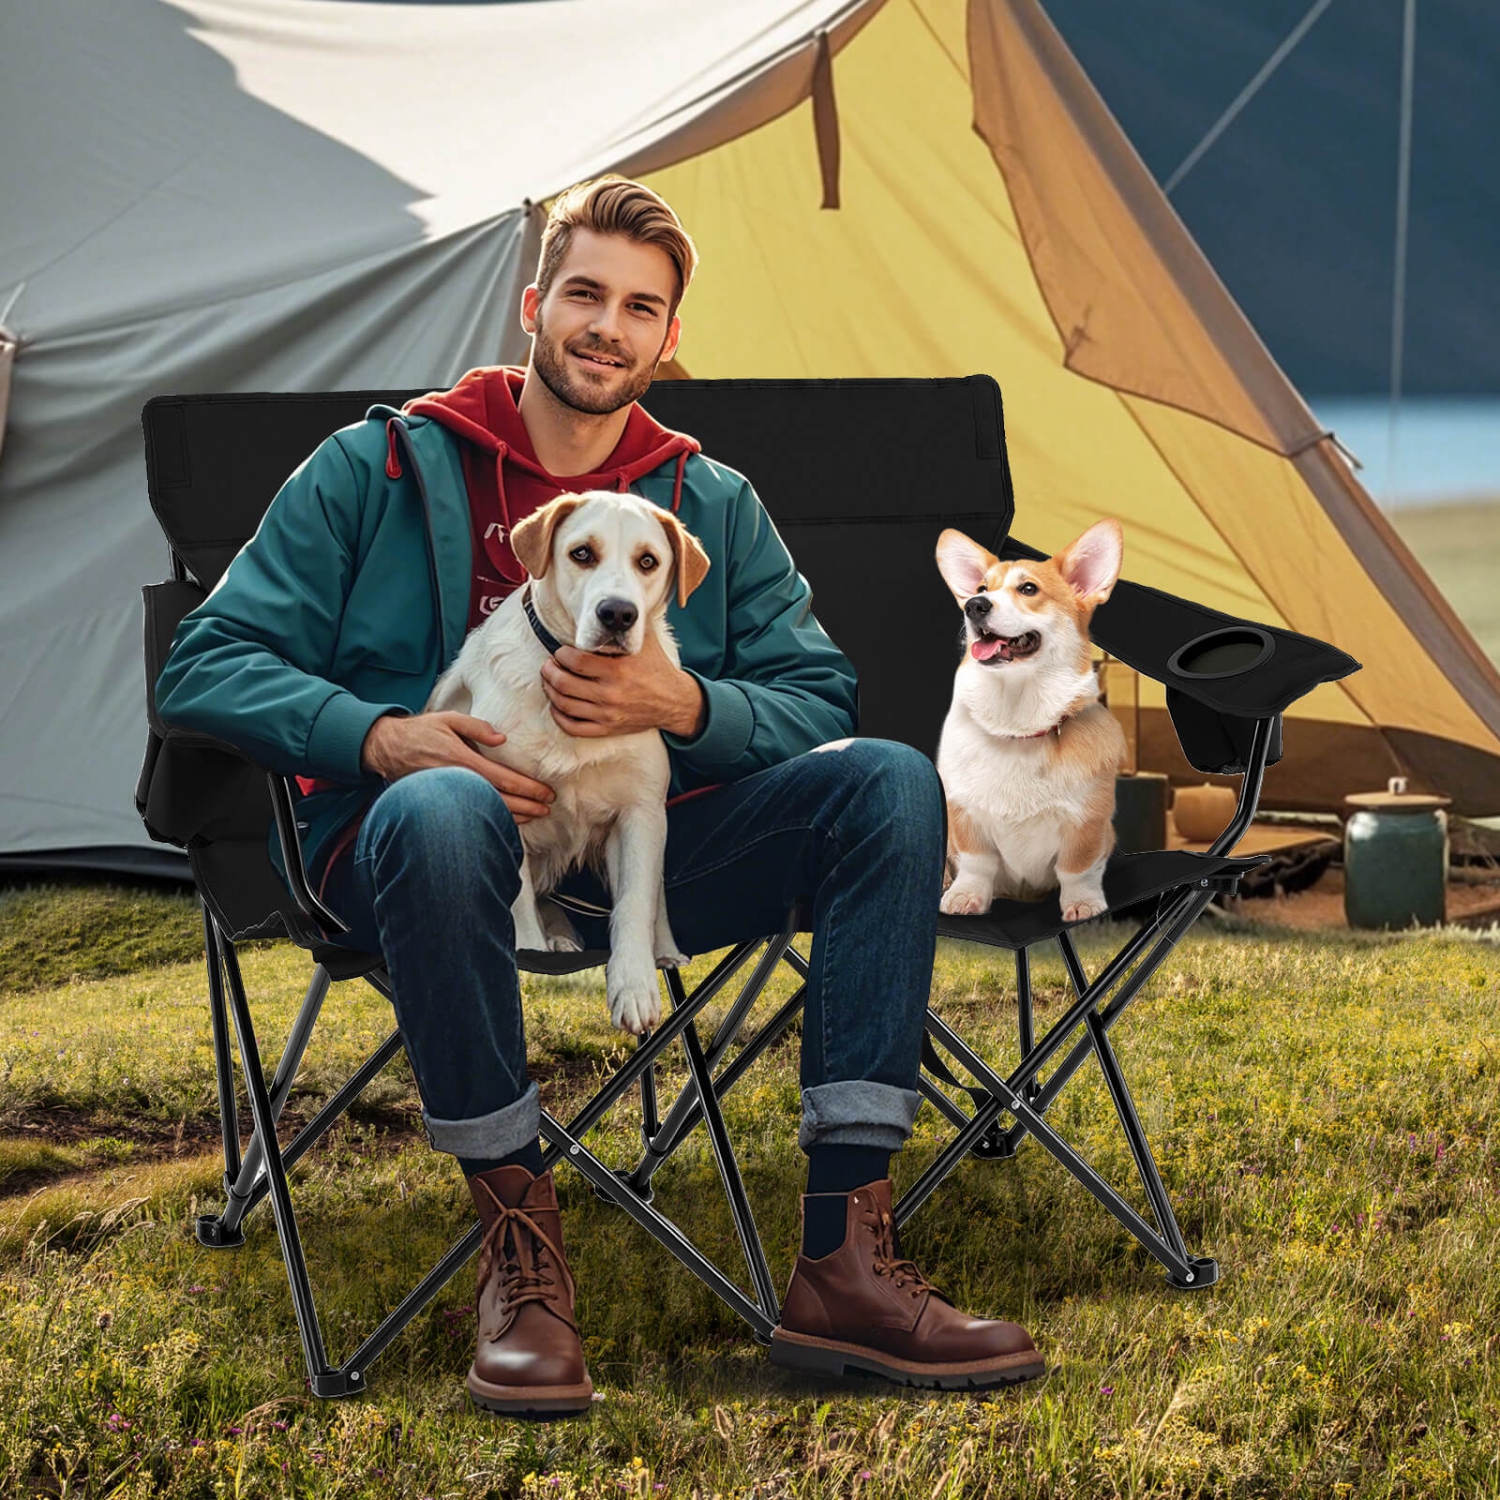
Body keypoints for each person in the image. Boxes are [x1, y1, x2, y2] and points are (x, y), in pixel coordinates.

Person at [155, 176, 1044, 1416]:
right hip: (409, 851)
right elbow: (206, 662)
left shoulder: (707, 505)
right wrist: (383, 736)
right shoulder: (382, 468)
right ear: (536, 304)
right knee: (443, 807)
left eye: (641, 307)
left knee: (888, 784)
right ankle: (522, 1264)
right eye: (584, 293)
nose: (607, 326)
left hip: (646, 849)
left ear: (667, 339)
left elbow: (814, 696)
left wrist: (685, 710)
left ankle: (847, 1256)